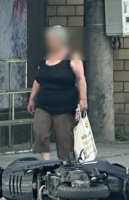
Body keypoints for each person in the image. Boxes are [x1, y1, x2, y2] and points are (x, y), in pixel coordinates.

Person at [28, 26, 88, 161]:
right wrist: (32, 98)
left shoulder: (72, 57)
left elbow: (81, 78)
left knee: (64, 138)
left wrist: (83, 99)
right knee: (40, 132)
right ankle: (46, 162)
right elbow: (38, 78)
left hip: (65, 104)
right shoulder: (44, 58)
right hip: (43, 103)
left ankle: (65, 165)